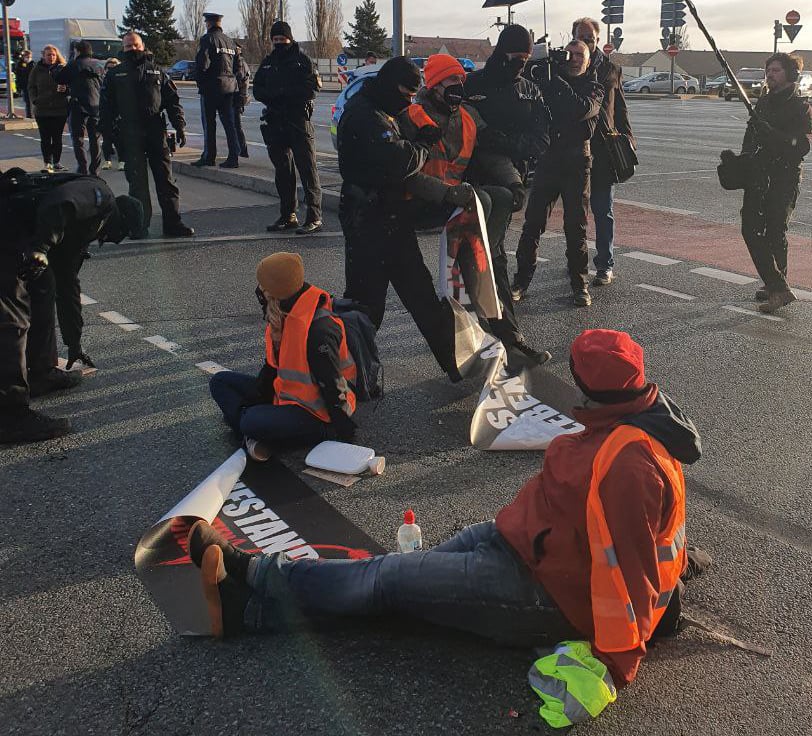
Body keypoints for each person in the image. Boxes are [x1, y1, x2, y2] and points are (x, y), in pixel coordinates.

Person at [185, 328, 711, 693]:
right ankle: (246, 611)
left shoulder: (628, 462)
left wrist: (616, 663)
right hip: (514, 545)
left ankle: (252, 574)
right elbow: (655, 539)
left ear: (593, 388)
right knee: (396, 588)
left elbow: (634, 566)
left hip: (543, 591)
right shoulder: (627, 425)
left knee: (387, 580)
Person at [397, 54, 550, 367]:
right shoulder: (412, 116)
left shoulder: (467, 115)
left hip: (455, 202)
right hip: (420, 202)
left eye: (461, 81)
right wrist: (448, 192)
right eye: (452, 81)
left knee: (501, 199)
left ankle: (506, 331)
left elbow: (491, 154)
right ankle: (476, 276)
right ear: (435, 84)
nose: (458, 87)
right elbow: (404, 171)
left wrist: (515, 182)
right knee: (484, 201)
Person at [337, 56, 459, 381]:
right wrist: (421, 146)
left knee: (421, 299)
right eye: (406, 94)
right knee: (366, 308)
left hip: (388, 218)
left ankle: (454, 363)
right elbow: (398, 162)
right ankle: (350, 376)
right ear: (393, 86)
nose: (407, 101)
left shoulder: (380, 109)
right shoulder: (366, 116)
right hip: (369, 222)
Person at [0, 171, 143, 443]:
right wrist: (42, 246)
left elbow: (68, 286)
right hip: (7, 225)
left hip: (19, 232)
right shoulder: (100, 198)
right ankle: (9, 414)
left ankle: (41, 372)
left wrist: (74, 344)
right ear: (119, 222)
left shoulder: (79, 229)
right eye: (115, 237)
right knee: (12, 317)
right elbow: (60, 201)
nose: (108, 241)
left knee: (45, 289)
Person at [209, 252, 357, 462]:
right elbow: (271, 369)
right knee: (220, 382)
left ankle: (253, 431)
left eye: (263, 285)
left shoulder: (318, 328)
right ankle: (255, 434)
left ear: (274, 291)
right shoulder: (282, 312)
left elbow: (332, 383)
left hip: (316, 413)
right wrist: (258, 398)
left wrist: (341, 430)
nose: (259, 289)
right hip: (285, 395)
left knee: (250, 421)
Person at [513, 40, 604, 307]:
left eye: (580, 55)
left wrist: (556, 83)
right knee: (532, 224)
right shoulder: (548, 81)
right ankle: (521, 280)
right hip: (549, 160)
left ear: (589, 61)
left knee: (576, 227)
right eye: (570, 54)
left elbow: (581, 111)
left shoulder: (594, 87)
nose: (574, 59)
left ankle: (579, 284)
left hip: (577, 164)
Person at [740, 52, 812, 314]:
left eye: (776, 70)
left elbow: (802, 145)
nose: (770, 74)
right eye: (769, 70)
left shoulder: (800, 107)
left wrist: (773, 135)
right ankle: (776, 283)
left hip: (784, 176)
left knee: (774, 231)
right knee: (750, 228)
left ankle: (777, 285)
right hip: (759, 175)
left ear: (790, 75)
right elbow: (750, 137)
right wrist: (740, 163)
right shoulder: (763, 103)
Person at [100, 33, 194, 239]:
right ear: (123, 48)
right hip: (128, 135)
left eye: (135, 45)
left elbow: (172, 100)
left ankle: (173, 224)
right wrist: (106, 139)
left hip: (155, 132)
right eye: (128, 46)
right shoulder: (115, 74)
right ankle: (139, 226)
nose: (132, 48)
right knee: (137, 183)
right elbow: (105, 109)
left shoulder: (157, 72)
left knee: (166, 181)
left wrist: (179, 126)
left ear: (143, 46)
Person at [572, 18, 634, 287]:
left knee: (602, 209)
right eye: (581, 37)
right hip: (574, 148)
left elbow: (619, 107)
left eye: (590, 38)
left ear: (598, 40)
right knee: (576, 212)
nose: (586, 42)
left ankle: (605, 264)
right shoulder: (568, 66)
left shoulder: (611, 69)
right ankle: (576, 262)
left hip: (604, 149)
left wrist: (628, 137)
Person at [463, 24, 550, 217]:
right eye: (516, 58)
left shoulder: (531, 91)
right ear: (503, 53)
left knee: (497, 231)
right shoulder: (472, 84)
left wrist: (504, 143)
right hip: (474, 172)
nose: (521, 64)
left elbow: (541, 139)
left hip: (514, 174)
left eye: (525, 59)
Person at [251, 21, 323, 235]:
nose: (278, 43)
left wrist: (285, 94)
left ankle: (314, 216)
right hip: (275, 122)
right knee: (283, 172)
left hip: (298, 120)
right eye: (275, 40)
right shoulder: (268, 62)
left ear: (290, 39)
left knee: (307, 169)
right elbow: (258, 89)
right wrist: (274, 97)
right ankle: (288, 215)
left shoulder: (302, 61)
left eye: (282, 39)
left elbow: (311, 88)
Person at [194, 11, 241, 168]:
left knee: (209, 123)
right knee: (229, 123)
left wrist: (200, 82)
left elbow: (202, 64)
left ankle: (209, 156)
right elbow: (237, 67)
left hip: (211, 88)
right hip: (229, 87)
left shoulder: (207, 39)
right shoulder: (230, 42)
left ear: (208, 24)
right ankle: (234, 156)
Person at [55, 41, 104, 176]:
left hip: (78, 106)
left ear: (77, 51)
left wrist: (58, 68)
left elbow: (60, 78)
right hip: (96, 105)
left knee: (78, 139)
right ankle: (95, 170)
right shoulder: (99, 65)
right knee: (95, 140)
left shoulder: (74, 64)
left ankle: (82, 168)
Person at [27, 45, 68, 172]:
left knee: (57, 137)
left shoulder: (63, 69)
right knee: (45, 137)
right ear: (43, 56)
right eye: (48, 55)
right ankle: (47, 162)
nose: (51, 57)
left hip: (59, 109)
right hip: (42, 109)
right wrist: (35, 100)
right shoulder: (37, 69)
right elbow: (31, 86)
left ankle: (56, 161)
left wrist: (66, 89)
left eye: (53, 55)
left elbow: (71, 84)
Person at [99, 58, 124, 171]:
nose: (111, 70)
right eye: (109, 68)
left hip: (119, 113)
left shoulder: (122, 81)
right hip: (105, 113)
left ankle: (122, 161)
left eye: (114, 68)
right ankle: (107, 160)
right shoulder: (101, 80)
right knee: (106, 138)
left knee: (120, 139)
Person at [232, 45, 251, 158]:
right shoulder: (243, 62)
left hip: (237, 97)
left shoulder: (239, 63)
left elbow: (238, 78)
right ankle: (241, 149)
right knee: (236, 125)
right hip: (241, 96)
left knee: (236, 126)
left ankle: (242, 150)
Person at [14, 50, 34, 118]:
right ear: (23, 57)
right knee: (28, 102)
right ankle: (29, 115)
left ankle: (32, 115)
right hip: (25, 86)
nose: (28, 58)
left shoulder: (33, 64)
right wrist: (18, 87)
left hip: (33, 86)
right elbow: (18, 76)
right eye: (27, 57)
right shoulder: (20, 64)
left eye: (29, 57)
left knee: (33, 101)